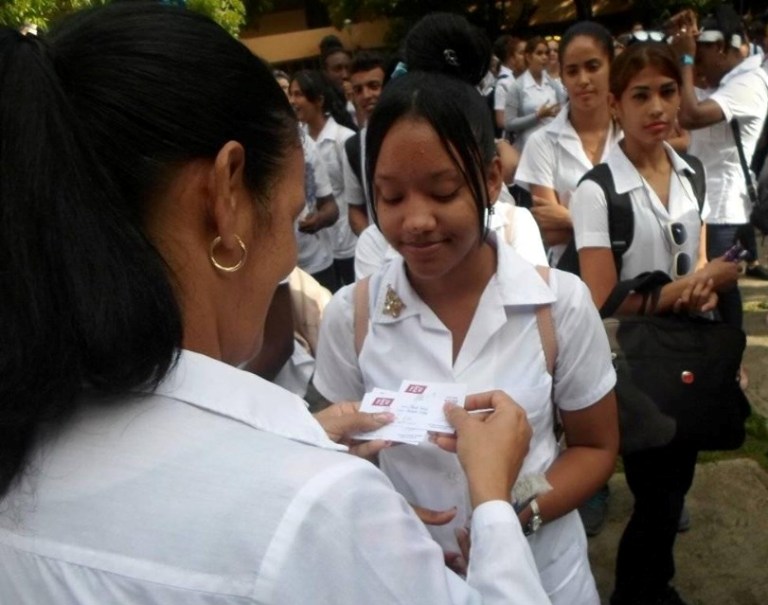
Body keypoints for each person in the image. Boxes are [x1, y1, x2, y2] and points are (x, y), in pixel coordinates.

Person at [0, 5, 553, 604]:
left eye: (443, 190)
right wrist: (494, 500)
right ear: (227, 195)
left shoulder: (22, 452)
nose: (290, 256)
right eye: (291, 216)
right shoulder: (317, 508)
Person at [313, 12, 619, 605]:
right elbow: (342, 455)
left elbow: (595, 447)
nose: (415, 221)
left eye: (444, 191)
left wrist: (512, 517)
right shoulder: (351, 316)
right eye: (391, 196)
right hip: (406, 583)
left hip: (546, 578)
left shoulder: (557, 304)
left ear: (491, 177)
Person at [569, 42, 739, 605]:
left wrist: (715, 291)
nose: (657, 107)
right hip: (638, 363)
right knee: (657, 494)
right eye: (640, 95)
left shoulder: (689, 171)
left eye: (667, 92)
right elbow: (599, 296)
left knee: (673, 485)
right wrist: (681, 292)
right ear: (615, 104)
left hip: (690, 352)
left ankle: (652, 587)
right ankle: (640, 593)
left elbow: (706, 263)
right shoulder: (597, 190)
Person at [671, 7, 768, 301]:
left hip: (723, 211)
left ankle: (728, 344)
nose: (699, 65)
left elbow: (690, 116)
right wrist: (680, 44)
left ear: (722, 48)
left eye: (703, 55)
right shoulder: (726, 82)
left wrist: (686, 59)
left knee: (716, 288)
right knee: (718, 290)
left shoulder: (749, 83)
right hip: (708, 205)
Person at [515, 22, 621, 270]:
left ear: (612, 67)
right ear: (561, 76)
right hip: (570, 276)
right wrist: (621, 224)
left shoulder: (631, 135)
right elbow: (552, 232)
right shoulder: (541, 143)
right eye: (572, 71)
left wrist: (569, 218)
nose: (583, 80)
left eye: (593, 67)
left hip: (634, 275)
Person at [290, 70, 358, 286]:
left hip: (348, 240)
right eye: (291, 94)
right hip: (323, 245)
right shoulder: (299, 141)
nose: (293, 101)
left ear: (318, 100)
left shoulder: (343, 139)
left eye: (299, 94)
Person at [343, 51, 388, 236]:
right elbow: (355, 208)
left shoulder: (417, 133)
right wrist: (372, 248)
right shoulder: (353, 146)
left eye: (374, 86)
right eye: (358, 90)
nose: (366, 95)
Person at [504, 36, 567, 150]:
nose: (544, 57)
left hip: (553, 144)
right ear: (528, 57)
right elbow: (509, 123)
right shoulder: (517, 86)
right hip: (529, 147)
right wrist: (537, 116)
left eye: (546, 53)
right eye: (539, 53)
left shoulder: (553, 85)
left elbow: (564, 112)